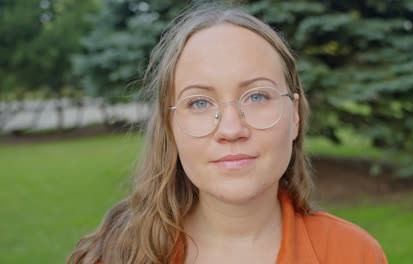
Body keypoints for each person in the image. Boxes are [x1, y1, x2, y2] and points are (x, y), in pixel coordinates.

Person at [68, 3, 388, 264]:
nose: (231, 129)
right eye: (200, 102)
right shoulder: (113, 255)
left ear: (294, 116)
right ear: (171, 127)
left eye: (257, 96)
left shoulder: (354, 254)